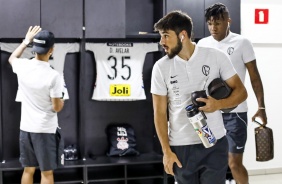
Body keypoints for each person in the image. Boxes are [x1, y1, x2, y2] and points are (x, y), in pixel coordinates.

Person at [151, 10, 248, 184]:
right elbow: (159, 113)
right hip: (181, 147)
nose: (161, 42)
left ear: (182, 35)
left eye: (166, 36)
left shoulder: (216, 57)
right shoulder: (160, 67)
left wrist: (218, 105)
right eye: (161, 36)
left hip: (215, 144)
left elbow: (241, 92)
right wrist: (166, 151)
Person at [197, 3, 268, 184]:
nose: (213, 27)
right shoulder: (202, 44)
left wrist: (261, 106)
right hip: (210, 112)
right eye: (210, 23)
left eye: (218, 23)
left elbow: (255, 77)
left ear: (228, 21)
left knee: (234, 163)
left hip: (235, 113)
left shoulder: (242, 43)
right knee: (209, 162)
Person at [8, 26, 65, 184]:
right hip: (44, 131)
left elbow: (12, 58)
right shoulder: (53, 76)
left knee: (28, 170)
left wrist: (26, 41)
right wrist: (62, 101)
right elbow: (56, 107)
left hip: (25, 129)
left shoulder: (23, 66)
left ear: (35, 49)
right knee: (47, 174)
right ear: (51, 50)